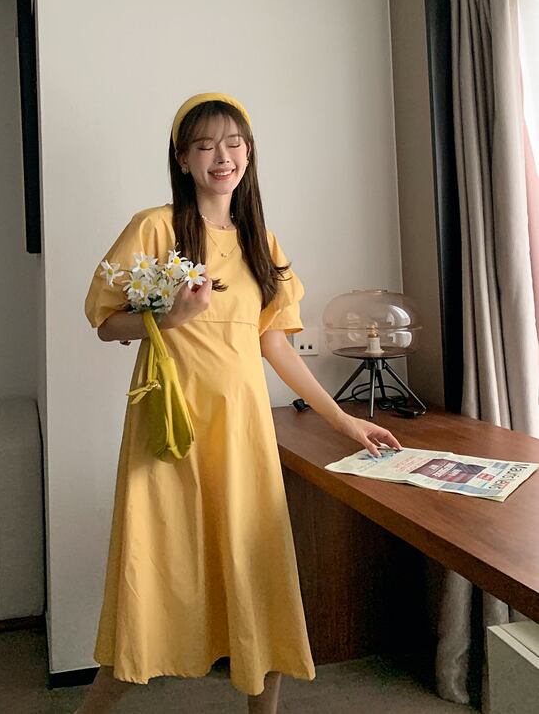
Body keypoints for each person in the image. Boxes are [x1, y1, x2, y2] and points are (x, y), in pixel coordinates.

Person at [79, 92, 402, 714]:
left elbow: (273, 343)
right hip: (169, 425)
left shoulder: (262, 242)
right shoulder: (155, 227)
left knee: (258, 569)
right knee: (155, 569)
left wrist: (343, 420)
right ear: (183, 159)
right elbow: (106, 322)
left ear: (248, 154)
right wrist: (170, 316)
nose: (221, 156)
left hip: (241, 428)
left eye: (233, 144)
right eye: (204, 146)